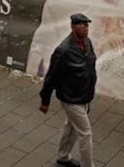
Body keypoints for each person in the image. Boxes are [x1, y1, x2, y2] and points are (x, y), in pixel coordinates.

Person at [39, 13, 97, 167]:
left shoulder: (87, 42)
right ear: (72, 27)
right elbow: (51, 77)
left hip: (84, 95)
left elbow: (91, 66)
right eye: (81, 25)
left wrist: (90, 92)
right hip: (71, 98)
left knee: (71, 126)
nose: (85, 28)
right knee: (85, 133)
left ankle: (63, 156)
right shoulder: (63, 51)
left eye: (86, 25)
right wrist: (45, 100)